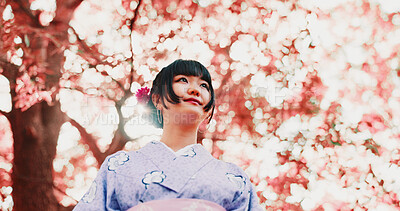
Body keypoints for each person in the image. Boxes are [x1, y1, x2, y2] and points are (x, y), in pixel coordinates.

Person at [73, 59, 263, 211]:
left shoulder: (234, 177)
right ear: (156, 99)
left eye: (204, 85)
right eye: (183, 80)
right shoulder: (118, 167)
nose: (195, 89)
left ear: (208, 109)